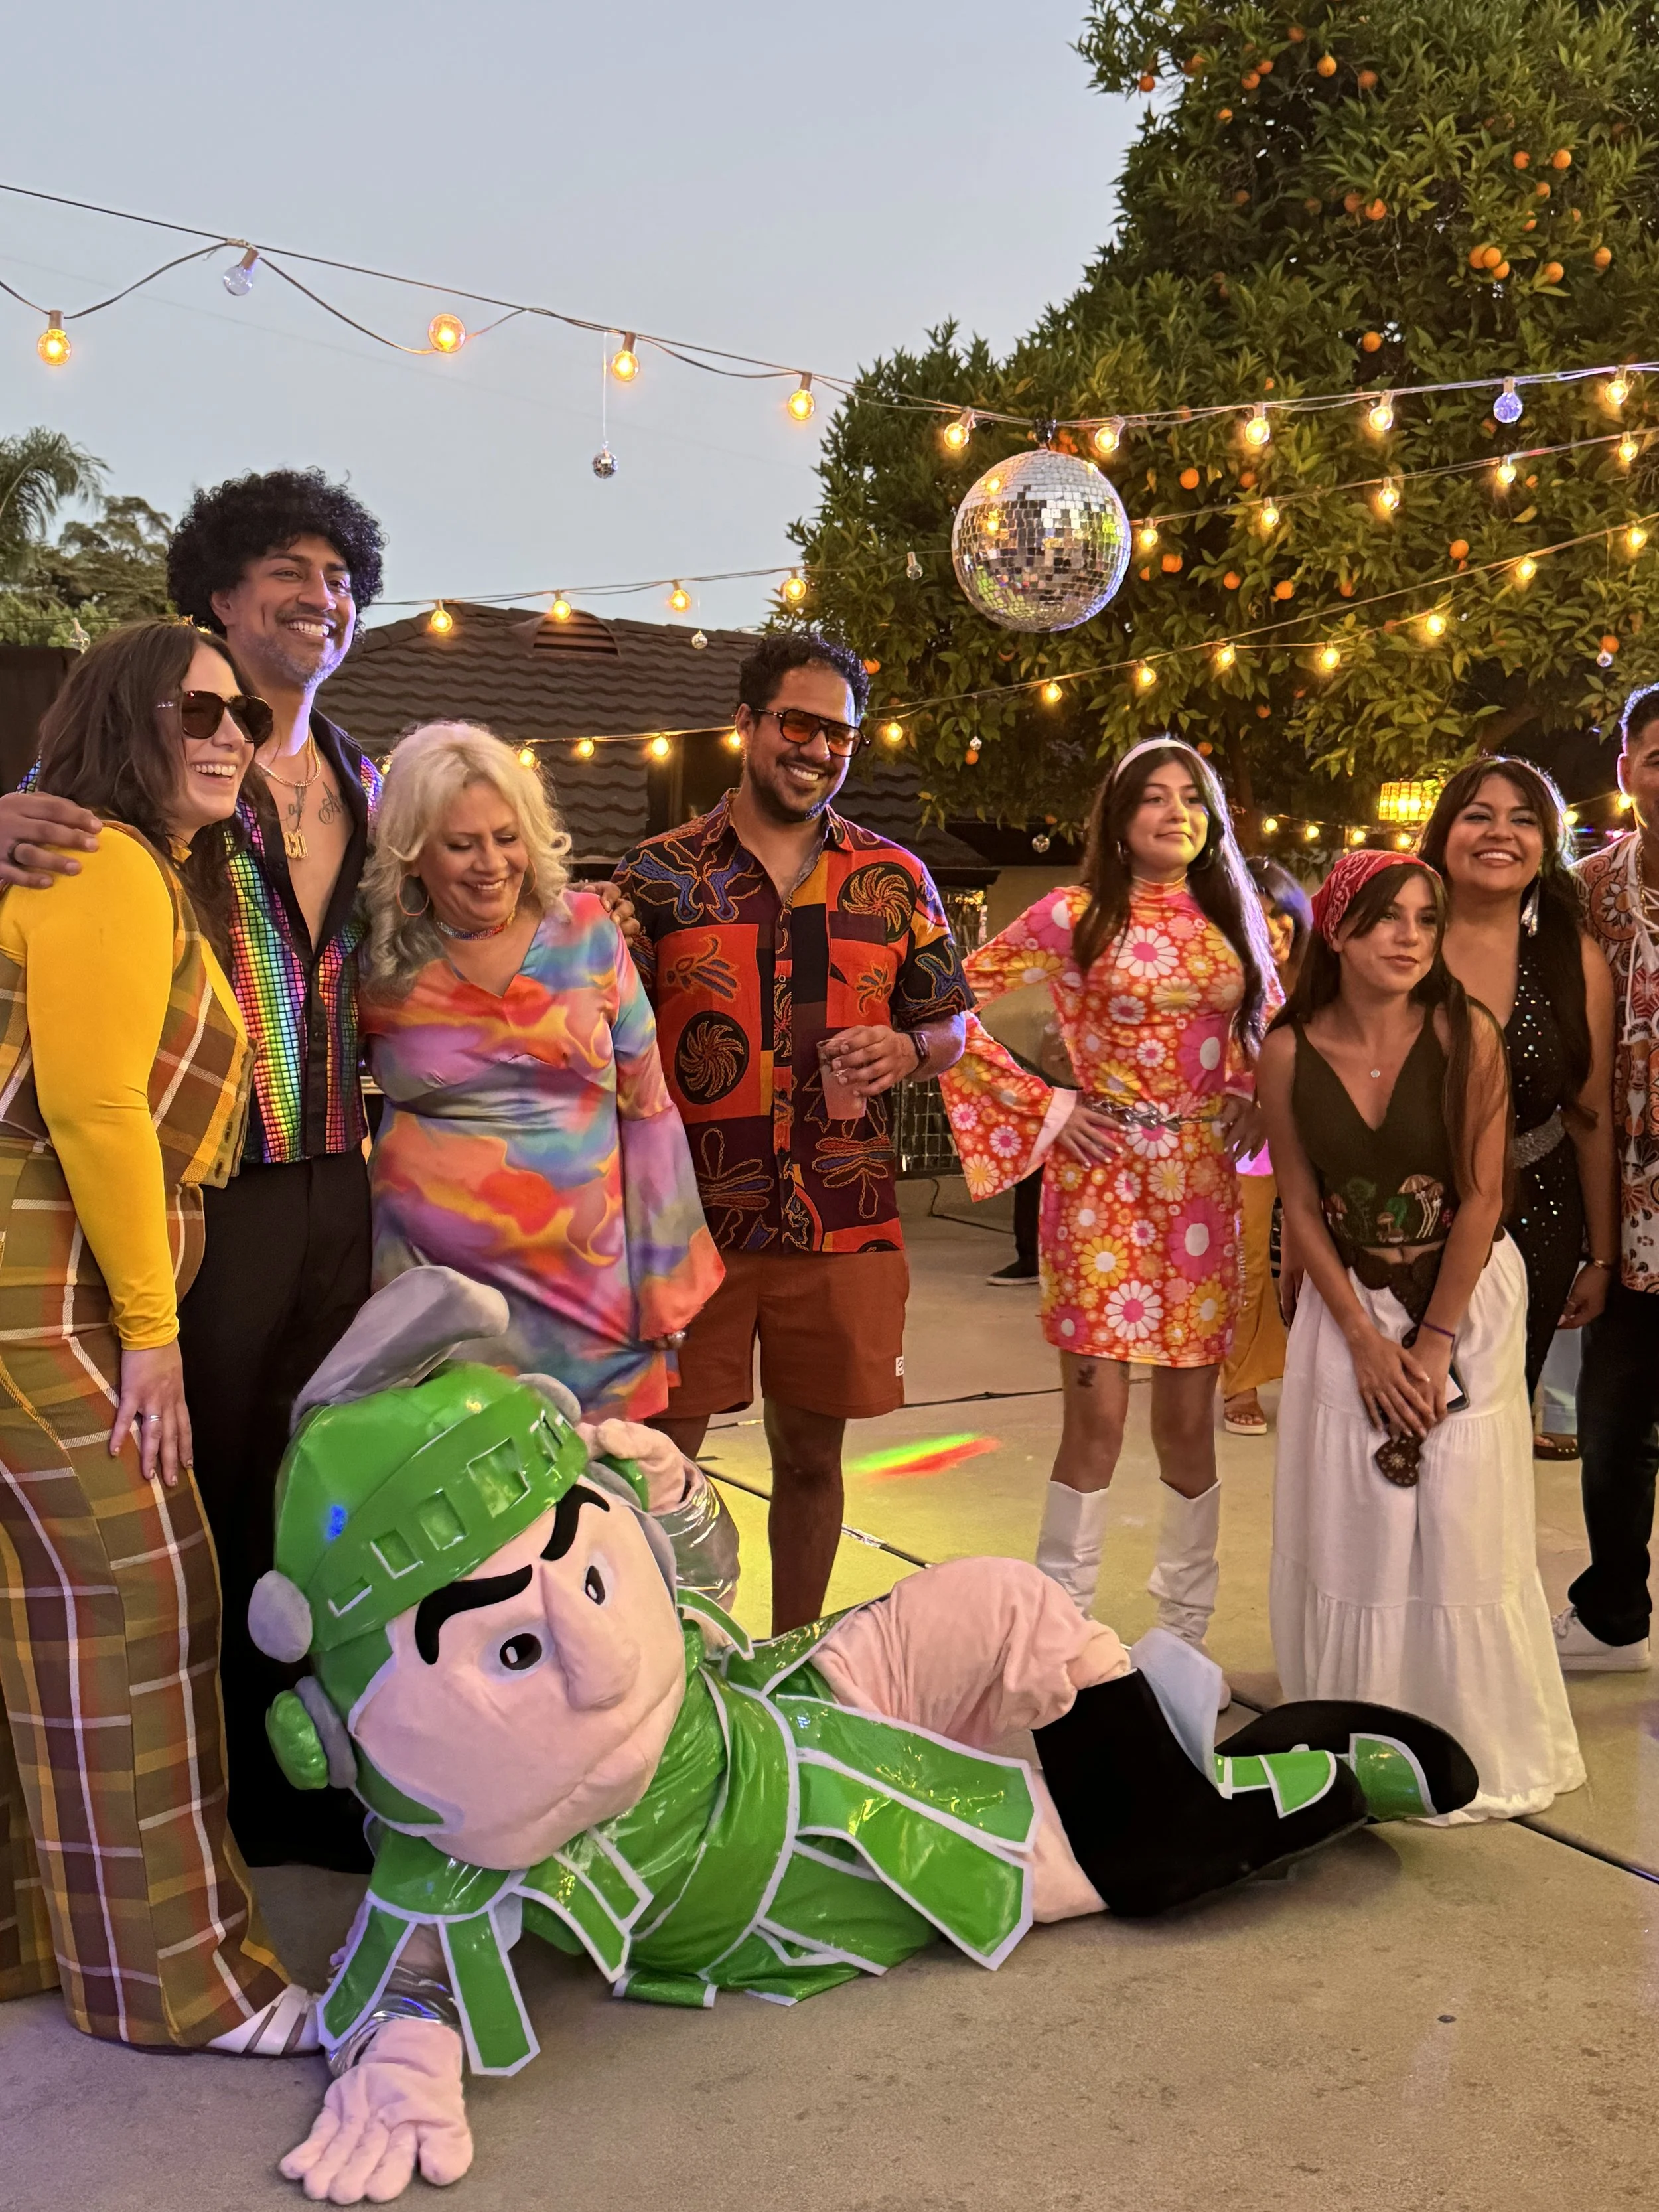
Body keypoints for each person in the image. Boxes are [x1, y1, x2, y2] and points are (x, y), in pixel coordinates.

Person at [0, 469, 389, 1870]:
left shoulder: (366, 775)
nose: (321, 595)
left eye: (342, 576)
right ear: (216, 593)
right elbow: (47, 869)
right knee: (208, 1485)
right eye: (288, 567)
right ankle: (220, 1790)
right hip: (203, 1184)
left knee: (313, 1477)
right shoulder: (136, 760)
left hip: (338, 1171)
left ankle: (309, 1769)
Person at [0, 619, 314, 2051]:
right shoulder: (106, 864)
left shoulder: (109, 866)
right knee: (141, 1589)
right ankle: (179, 1983)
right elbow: (95, 1110)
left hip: (45, 1280)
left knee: (38, 1604)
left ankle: (32, 1935)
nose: (229, 732)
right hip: (44, 1289)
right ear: (125, 716)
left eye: (243, 713)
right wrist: (149, 1333)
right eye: (197, 706)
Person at [614, 633, 972, 1634]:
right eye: (798, 724)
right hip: (690, 1227)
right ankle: (665, 1673)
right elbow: (593, 1037)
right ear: (747, 725)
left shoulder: (895, 879)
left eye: (839, 733)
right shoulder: (656, 878)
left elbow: (951, 1020)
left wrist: (911, 1052)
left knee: (813, 1460)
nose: (817, 749)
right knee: (662, 1468)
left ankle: (795, 1663)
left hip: (841, 1214)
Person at [1259, 851, 1583, 1821]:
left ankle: (1476, 1742)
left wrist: (1434, 1342)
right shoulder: (1286, 1048)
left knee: (1460, 1525)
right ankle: (1363, 1738)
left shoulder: (1466, 1035)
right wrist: (1361, 1337)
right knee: (1357, 1523)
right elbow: (1302, 1205)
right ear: (1340, 929)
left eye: (1425, 919)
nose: (1408, 936)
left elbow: (1486, 1196)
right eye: (1385, 916)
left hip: (1466, 1299)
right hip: (1346, 1307)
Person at [939, 740, 1275, 1673]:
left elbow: (1268, 1027)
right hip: (1099, 1190)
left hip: (1203, 1190)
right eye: (1155, 798)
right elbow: (944, 1007)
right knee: (1097, 1422)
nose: (1177, 812)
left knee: (1187, 1422)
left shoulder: (1232, 916)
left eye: (1193, 798)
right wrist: (1047, 1108)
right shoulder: (1071, 914)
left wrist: (1250, 1088)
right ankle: (1058, 1640)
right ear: (1119, 821)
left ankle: (1182, 1642)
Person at [359, 722, 722, 1414]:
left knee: (603, 1506)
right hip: (438, 1311)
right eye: (460, 845)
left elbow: (647, 1112)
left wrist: (667, 1278)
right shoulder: (377, 960)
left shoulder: (588, 931)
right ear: (410, 855)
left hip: (591, 1302)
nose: (490, 863)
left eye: (506, 836)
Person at [1416, 759, 1617, 1406]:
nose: (1499, 833)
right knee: (1396, 1426)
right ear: (1443, 834)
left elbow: (1590, 1116)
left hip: (1536, 1218)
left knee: (1489, 1428)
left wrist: (1602, 1256)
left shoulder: (1571, 957)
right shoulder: (1397, 939)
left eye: (1522, 819)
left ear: (1544, 845)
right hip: (1397, 1214)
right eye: (1478, 815)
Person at [1564, 684, 1659, 1670]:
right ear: (1628, 767)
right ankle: (1614, 1617)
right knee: (1615, 1421)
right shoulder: (1585, 892)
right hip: (1623, 1203)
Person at [1220, 857, 1313, 1436]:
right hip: (1249, 1146)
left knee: (1320, 1266)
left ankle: (1312, 1379)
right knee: (1249, 1263)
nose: (1274, 927)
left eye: (1282, 914)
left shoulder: (1319, 980)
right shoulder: (1226, 982)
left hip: (1316, 1141)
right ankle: (1241, 1383)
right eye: (1259, 914)